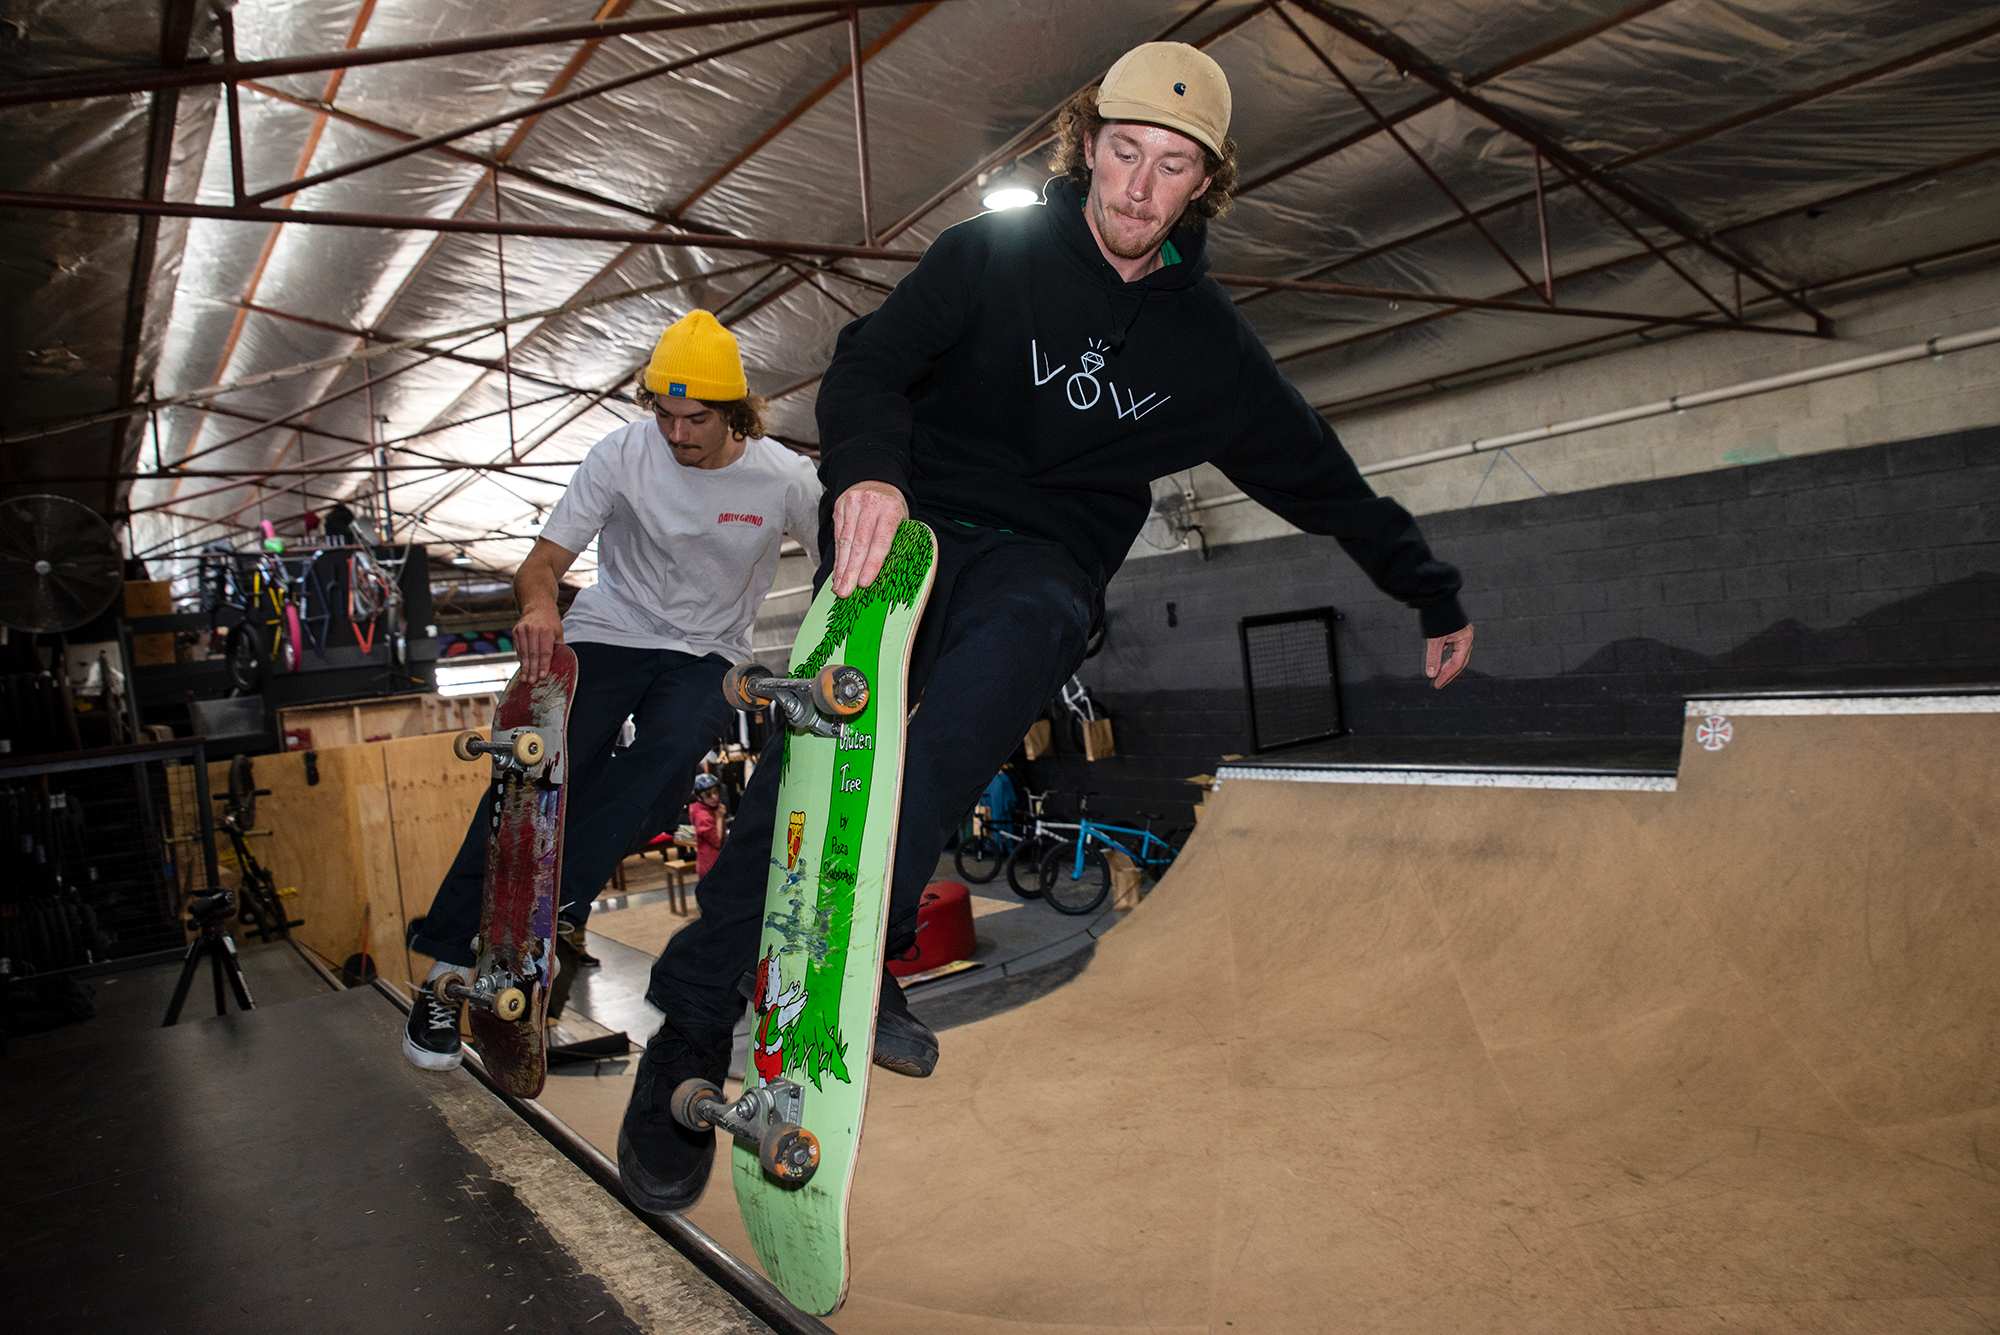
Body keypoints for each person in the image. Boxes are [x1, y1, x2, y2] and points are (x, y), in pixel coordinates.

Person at [616, 42, 1476, 1212]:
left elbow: (1320, 478)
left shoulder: (1206, 350)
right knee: (808, 758)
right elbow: (867, 363)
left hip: (1043, 562)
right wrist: (865, 472)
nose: (1135, 189)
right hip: (906, 518)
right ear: (1084, 147)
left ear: (1200, 188)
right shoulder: (990, 255)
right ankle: (688, 1029)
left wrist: (1426, 589)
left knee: (1005, 660)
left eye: (1169, 169)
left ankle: (855, 951)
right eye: (1122, 154)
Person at [401, 310, 820, 1071]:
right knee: (531, 774)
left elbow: (837, 567)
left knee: (668, 755)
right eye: (664, 414)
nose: (677, 433)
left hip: (708, 652)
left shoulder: (786, 478)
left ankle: (551, 905)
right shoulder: (621, 454)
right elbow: (542, 562)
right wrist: (536, 607)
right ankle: (442, 971)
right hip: (610, 630)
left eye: (695, 420)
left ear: (737, 414)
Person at [686, 772, 728, 878]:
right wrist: (719, 818)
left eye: (716, 792)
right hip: (712, 866)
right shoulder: (702, 816)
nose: (715, 797)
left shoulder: (708, 808)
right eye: (708, 795)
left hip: (715, 862)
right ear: (699, 797)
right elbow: (717, 842)